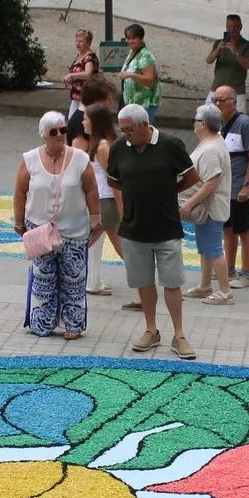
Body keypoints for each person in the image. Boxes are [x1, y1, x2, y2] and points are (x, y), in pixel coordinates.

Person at [108, 104, 201, 359]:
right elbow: (112, 179)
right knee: (144, 283)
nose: (125, 134)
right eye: (122, 129)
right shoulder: (119, 148)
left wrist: (169, 192)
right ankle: (151, 330)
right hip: (133, 227)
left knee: (172, 283)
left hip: (166, 226)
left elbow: (192, 177)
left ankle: (179, 334)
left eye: (129, 129)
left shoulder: (171, 144)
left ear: (144, 125)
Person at [15, 111, 101, 340]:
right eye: (54, 132)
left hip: (74, 231)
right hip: (41, 232)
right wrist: (18, 222)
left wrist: (96, 219)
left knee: (74, 280)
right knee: (43, 280)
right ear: (44, 135)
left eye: (63, 129)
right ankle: (42, 323)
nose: (60, 135)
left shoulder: (80, 159)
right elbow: (20, 192)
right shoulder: (30, 159)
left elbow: (92, 189)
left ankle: (74, 325)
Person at [180, 104, 234, 306]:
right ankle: (205, 286)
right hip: (207, 207)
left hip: (210, 207)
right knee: (205, 248)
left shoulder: (211, 149)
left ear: (203, 124)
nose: (193, 124)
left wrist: (189, 204)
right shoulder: (212, 143)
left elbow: (211, 183)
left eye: (195, 120)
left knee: (213, 249)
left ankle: (225, 292)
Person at [75, 102, 124, 297]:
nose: (82, 122)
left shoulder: (103, 148)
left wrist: (121, 209)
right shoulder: (100, 144)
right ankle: (92, 281)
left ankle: (143, 283)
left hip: (107, 202)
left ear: (94, 122)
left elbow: (116, 180)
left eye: (85, 118)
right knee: (95, 241)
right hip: (103, 201)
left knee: (119, 245)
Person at [214, 87, 249, 289]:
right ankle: (230, 268)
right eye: (215, 100)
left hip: (238, 188)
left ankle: (246, 273)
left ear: (233, 102)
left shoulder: (244, 124)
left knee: (243, 230)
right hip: (224, 189)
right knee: (228, 230)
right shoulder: (218, 124)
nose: (218, 104)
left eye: (222, 100)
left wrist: (247, 185)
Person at [118, 24, 161, 123]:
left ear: (141, 38)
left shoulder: (145, 56)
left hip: (145, 104)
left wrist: (131, 75)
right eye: (128, 38)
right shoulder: (132, 52)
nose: (130, 41)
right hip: (133, 103)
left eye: (134, 38)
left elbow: (150, 81)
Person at [206, 14, 249, 98]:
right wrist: (218, 50)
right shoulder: (219, 43)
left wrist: (235, 52)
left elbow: (247, 65)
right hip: (217, 88)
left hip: (237, 91)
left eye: (235, 27)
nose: (232, 30)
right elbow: (209, 60)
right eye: (229, 26)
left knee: (239, 111)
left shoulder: (247, 45)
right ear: (226, 27)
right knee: (207, 111)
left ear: (240, 27)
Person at [62, 30, 100, 115]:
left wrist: (72, 75)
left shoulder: (89, 57)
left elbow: (87, 74)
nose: (78, 44)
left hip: (86, 96)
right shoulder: (79, 55)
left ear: (88, 43)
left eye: (81, 41)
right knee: (72, 120)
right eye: (76, 41)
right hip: (77, 96)